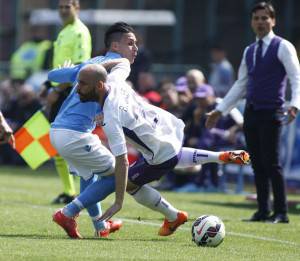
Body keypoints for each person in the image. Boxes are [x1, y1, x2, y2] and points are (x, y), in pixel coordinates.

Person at [51, 61, 250, 239]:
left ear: (100, 85)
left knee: (125, 182)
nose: (78, 89)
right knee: (173, 156)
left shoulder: (111, 116)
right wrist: (96, 67)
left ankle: (172, 216)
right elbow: (122, 62)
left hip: (157, 155)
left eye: (83, 84)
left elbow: (122, 161)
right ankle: (219, 157)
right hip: (166, 132)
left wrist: (118, 201)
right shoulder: (115, 80)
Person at [206, 2, 300, 223]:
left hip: (272, 111)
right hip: (252, 111)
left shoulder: (283, 46)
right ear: (251, 22)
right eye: (256, 18)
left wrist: (294, 104)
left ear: (273, 21)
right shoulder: (250, 51)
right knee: (257, 162)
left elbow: (296, 78)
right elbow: (241, 84)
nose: (260, 22)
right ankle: (262, 210)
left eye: (265, 18)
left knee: (272, 163)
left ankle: (281, 212)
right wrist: (219, 111)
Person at [49, 22, 140, 238]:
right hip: (74, 134)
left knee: (88, 178)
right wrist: (104, 109)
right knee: (118, 175)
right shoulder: (117, 66)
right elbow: (112, 89)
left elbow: (52, 76)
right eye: (130, 43)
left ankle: (101, 227)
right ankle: (68, 213)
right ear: (115, 46)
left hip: (57, 132)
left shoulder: (89, 64)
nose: (135, 48)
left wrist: (68, 70)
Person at [45, 0, 92, 204]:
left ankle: (81, 191)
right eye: (61, 7)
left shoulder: (80, 32)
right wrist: (47, 86)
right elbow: (60, 66)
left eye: (68, 7)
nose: (63, 10)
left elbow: (81, 67)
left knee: (69, 142)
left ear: (77, 8)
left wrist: (57, 89)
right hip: (59, 90)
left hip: (69, 92)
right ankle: (69, 191)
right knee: (57, 142)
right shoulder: (64, 31)